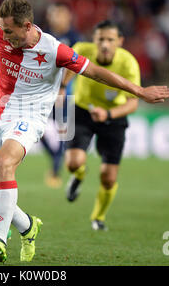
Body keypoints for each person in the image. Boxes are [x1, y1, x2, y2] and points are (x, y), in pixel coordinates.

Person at [0, 0, 169, 263]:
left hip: (29, 117)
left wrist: (140, 91)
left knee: (5, 162)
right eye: (2, 30)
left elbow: (95, 71)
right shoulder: (1, 34)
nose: (3, 36)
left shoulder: (54, 49)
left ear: (27, 26)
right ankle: (28, 225)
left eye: (10, 31)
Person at [62, 20, 140, 232]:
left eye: (110, 40)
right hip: (82, 111)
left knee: (108, 178)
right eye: (100, 39)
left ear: (120, 42)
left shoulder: (129, 64)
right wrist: (61, 89)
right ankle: (78, 175)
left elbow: (133, 103)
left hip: (113, 117)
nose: (105, 44)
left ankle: (98, 217)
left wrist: (108, 114)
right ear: (94, 40)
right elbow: (66, 73)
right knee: (73, 162)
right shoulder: (81, 50)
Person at [41, 0, 83, 189]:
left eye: (59, 13)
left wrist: (65, 88)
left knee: (65, 135)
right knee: (38, 131)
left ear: (68, 16)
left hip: (68, 94)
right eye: (53, 13)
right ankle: (55, 161)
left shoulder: (76, 38)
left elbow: (77, 66)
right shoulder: (43, 35)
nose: (55, 17)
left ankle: (55, 172)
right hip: (44, 92)